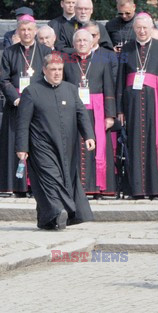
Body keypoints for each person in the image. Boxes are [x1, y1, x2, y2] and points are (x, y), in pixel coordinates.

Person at [15, 54, 95, 230]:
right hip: (41, 146)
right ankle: (59, 210)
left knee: (64, 178)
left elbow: (81, 113)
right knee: (50, 179)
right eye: (53, 70)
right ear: (44, 70)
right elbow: (22, 122)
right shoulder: (31, 91)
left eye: (60, 69)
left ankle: (48, 220)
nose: (57, 73)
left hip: (67, 146)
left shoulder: (71, 89)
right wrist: (22, 147)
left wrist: (89, 136)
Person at [116, 13, 158, 199]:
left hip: (155, 104)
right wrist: (120, 110)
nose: (142, 31)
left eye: (145, 28)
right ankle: (136, 189)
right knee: (134, 144)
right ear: (134, 29)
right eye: (138, 28)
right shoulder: (126, 48)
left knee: (154, 143)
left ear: (151, 28)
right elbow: (119, 80)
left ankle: (156, 188)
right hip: (132, 104)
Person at [0, 15, 52, 198]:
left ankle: (36, 185)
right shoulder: (9, 52)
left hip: (39, 107)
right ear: (18, 31)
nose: (27, 33)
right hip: (15, 106)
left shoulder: (46, 51)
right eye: (23, 30)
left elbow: (51, 75)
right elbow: (3, 79)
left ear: (35, 30)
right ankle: (15, 186)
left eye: (30, 29)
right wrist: (15, 99)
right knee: (14, 143)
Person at [63, 29, 116, 198]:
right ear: (73, 43)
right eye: (78, 40)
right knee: (75, 148)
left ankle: (97, 187)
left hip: (97, 111)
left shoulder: (102, 60)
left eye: (85, 40)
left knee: (97, 148)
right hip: (73, 111)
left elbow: (108, 88)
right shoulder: (67, 61)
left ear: (92, 42)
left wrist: (110, 115)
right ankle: (76, 187)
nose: (82, 43)